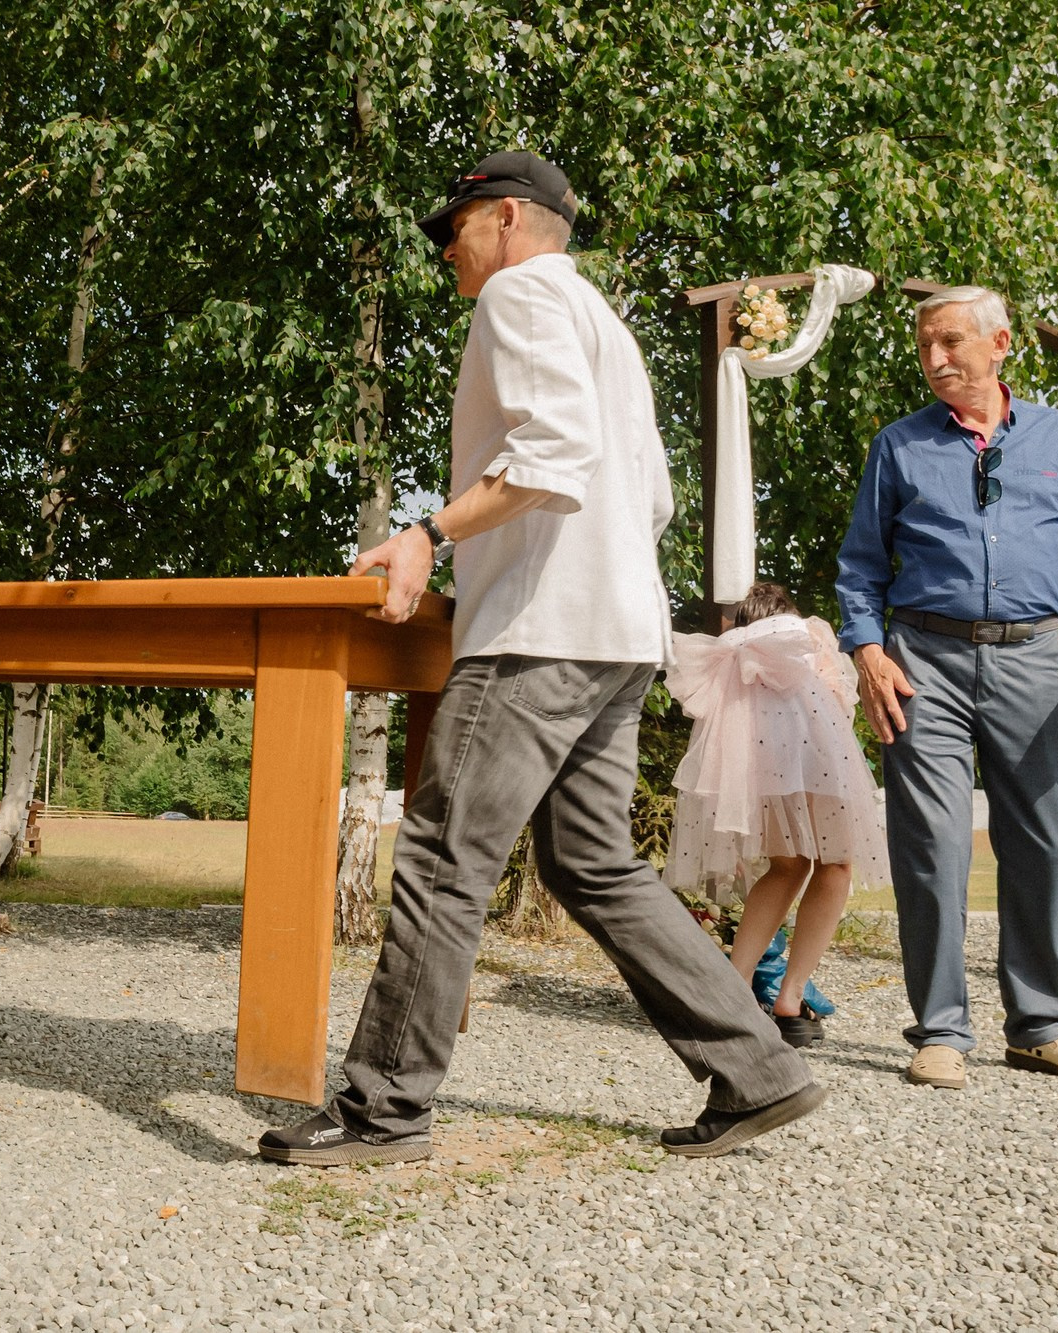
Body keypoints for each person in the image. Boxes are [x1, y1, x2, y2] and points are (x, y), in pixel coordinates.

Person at [258, 151, 824, 1166]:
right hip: (617, 633)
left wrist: (429, 533)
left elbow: (550, 454)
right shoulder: (606, 326)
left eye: (455, 225)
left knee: (440, 855)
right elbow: (646, 498)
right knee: (590, 860)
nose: (444, 248)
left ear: (508, 218)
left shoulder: (516, 296)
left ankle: (383, 1105)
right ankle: (757, 1068)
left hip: (536, 632)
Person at [837, 287, 1058, 1090]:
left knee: (1044, 839)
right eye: (926, 346)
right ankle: (940, 1029)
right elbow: (860, 570)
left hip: (1035, 657)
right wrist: (868, 652)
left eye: (951, 343)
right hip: (921, 660)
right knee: (929, 843)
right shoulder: (897, 448)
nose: (935, 360)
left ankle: (1040, 1025)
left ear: (1000, 344)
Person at [663, 581, 889, 1048]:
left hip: (760, 772)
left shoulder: (730, 654)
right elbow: (839, 697)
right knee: (836, 866)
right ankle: (791, 997)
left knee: (787, 868)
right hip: (821, 763)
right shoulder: (809, 632)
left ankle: (734, 990)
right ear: (788, 610)